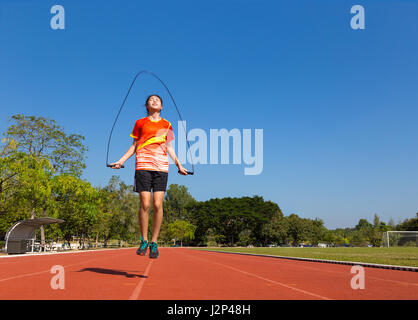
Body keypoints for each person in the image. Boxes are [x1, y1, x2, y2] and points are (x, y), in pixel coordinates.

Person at [110, 94, 188, 258]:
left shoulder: (166, 124)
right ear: (147, 105)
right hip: (143, 166)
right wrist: (120, 161)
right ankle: (143, 240)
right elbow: (134, 146)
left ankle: (154, 242)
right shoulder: (140, 123)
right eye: (151, 99)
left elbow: (169, 147)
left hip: (161, 167)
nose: (154, 101)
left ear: (161, 107)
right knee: (145, 204)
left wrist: (179, 164)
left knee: (158, 205)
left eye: (157, 100)